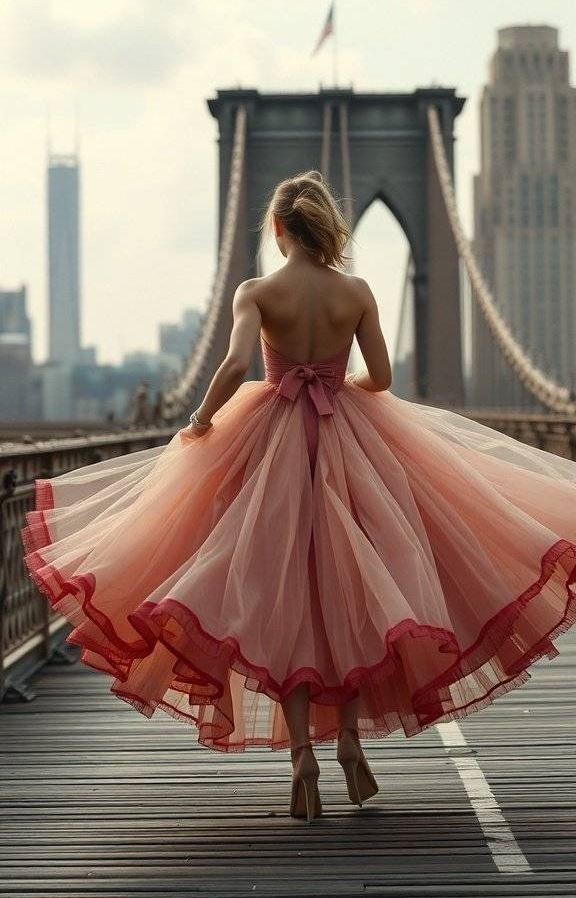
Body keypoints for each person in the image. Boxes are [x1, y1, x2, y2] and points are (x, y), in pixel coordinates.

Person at [21, 169, 576, 824]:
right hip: (350, 444)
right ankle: (346, 742)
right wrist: (344, 387)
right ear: (326, 228)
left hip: (271, 445)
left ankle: (301, 759)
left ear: (279, 230)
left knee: (279, 598)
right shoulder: (357, 291)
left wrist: (200, 420)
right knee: (350, 594)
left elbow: (232, 366)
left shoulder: (257, 291)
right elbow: (385, 375)